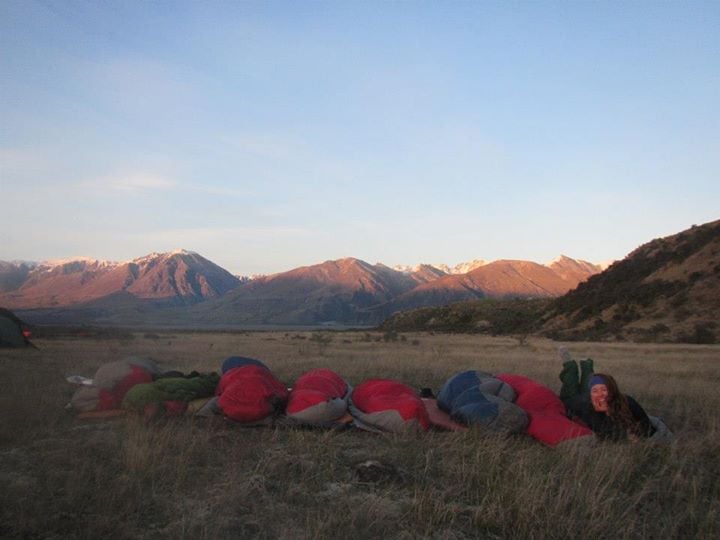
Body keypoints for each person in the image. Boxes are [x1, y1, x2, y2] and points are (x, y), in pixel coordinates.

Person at [558, 351, 656, 442]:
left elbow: (647, 428)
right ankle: (586, 365)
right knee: (584, 386)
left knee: (570, 381)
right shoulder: (623, 401)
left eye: (604, 390)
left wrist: (635, 436)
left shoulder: (626, 402)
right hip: (579, 401)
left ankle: (573, 365)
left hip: (571, 400)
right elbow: (647, 427)